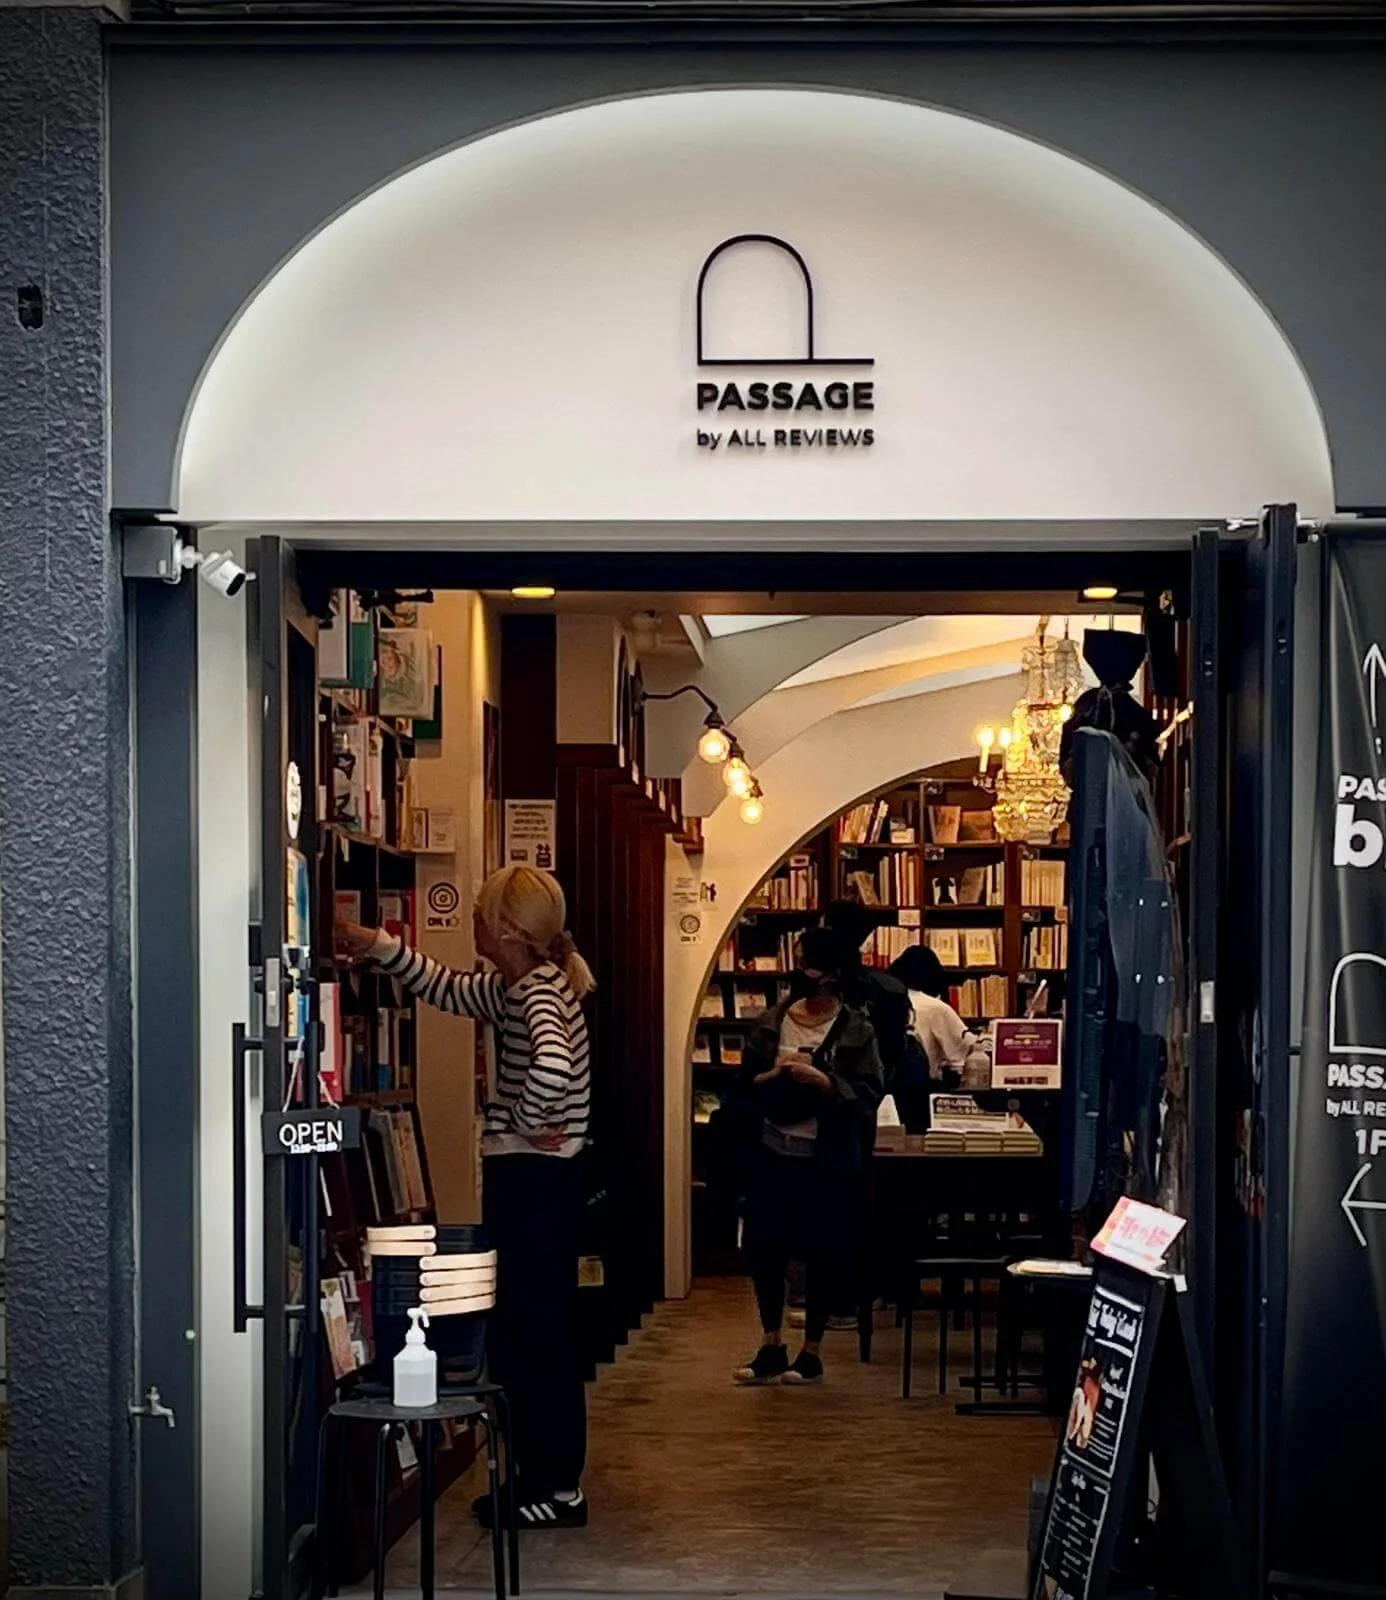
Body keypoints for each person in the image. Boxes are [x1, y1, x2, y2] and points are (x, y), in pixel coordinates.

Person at [338, 865, 595, 1531]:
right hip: (540, 1185)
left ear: (508, 929)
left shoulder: (535, 992)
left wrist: (528, 1121)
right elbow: (447, 989)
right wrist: (378, 944)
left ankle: (555, 1488)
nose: (473, 923)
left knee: (536, 1333)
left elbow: (553, 1067)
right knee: (531, 1330)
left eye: (480, 914)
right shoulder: (516, 985)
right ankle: (542, 1480)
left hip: (536, 1183)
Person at [732, 927, 883, 1386]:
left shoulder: (858, 1029)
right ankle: (771, 1342)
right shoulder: (771, 1021)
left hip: (825, 1157)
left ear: (833, 973)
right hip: (771, 1150)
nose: (802, 973)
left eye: (810, 965)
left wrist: (826, 1082)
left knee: (822, 1251)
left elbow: (870, 1093)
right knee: (766, 1249)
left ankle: (812, 1350)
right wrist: (774, 1075)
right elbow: (741, 1087)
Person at [889, 943, 977, 1123]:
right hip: (918, 1095)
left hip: (879, 1093)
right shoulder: (934, 1007)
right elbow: (967, 1052)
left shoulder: (881, 999)